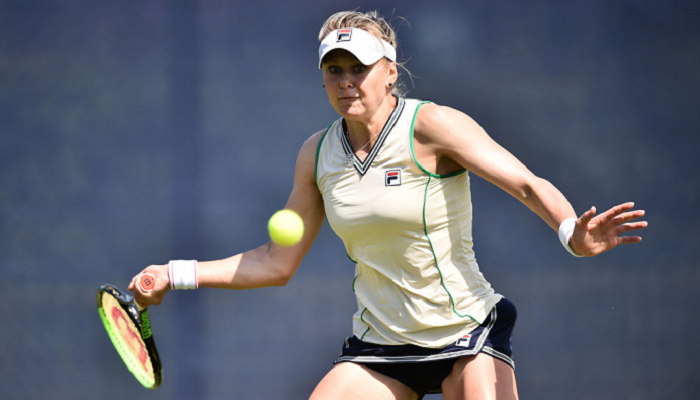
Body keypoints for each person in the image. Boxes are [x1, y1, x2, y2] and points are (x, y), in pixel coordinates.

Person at [129, 10, 648, 400]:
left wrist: (571, 234)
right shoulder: (317, 154)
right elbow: (275, 262)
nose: (345, 80)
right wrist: (174, 274)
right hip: (381, 346)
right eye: (334, 68)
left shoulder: (432, 126)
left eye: (359, 67)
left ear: (390, 72)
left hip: (466, 334)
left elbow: (526, 184)